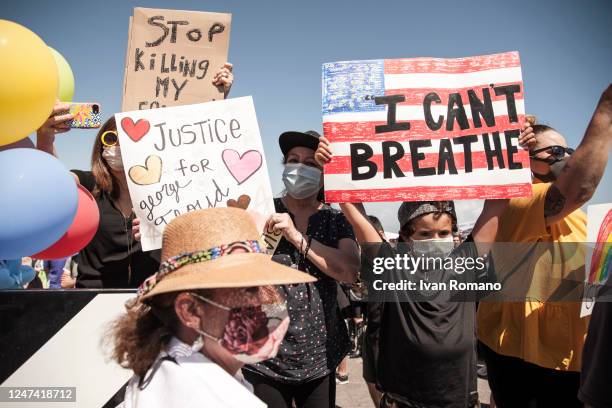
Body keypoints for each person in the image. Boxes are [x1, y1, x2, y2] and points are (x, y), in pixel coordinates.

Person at [315, 129, 534, 407]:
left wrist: (514, 151)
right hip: (404, 399)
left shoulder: (464, 265)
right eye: (425, 234)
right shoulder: (393, 267)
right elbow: (357, 217)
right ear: (406, 238)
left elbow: (495, 208)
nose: (436, 241)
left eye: (444, 233)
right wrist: (335, 166)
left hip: (458, 399)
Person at [35, 64, 234, 288]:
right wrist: (46, 138)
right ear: (100, 147)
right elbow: (52, 183)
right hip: (91, 302)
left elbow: (197, 147)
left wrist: (216, 98)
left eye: (129, 141)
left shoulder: (170, 194)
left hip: (150, 300)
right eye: (111, 139)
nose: (119, 147)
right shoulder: (90, 185)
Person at [477, 85, 612, 408]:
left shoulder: (592, 220)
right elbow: (577, 188)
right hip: (524, 362)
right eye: (553, 153)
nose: (565, 159)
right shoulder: (515, 203)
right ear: (525, 161)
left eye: (567, 151)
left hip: (576, 360)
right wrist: (606, 110)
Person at [109, 207, 315, 408]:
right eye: (249, 290)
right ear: (190, 310)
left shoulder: (162, 364)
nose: (270, 300)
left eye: (267, 285)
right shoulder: (220, 400)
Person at [242, 130, 361, 408]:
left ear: (323, 174)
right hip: (265, 355)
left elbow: (350, 271)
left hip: (319, 356)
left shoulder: (334, 219)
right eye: (293, 160)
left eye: (310, 164)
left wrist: (296, 236)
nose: (299, 168)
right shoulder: (262, 212)